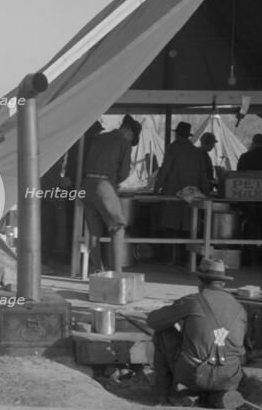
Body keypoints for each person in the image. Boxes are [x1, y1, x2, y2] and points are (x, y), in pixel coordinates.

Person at [147, 258, 247, 407]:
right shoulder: (240, 308)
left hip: (194, 375)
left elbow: (154, 321)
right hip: (230, 377)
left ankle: (164, 396)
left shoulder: (191, 301)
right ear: (224, 283)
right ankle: (213, 396)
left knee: (162, 334)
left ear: (199, 281)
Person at [81, 115, 141, 272]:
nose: (130, 140)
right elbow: (123, 172)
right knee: (118, 228)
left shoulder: (98, 138)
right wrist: (115, 183)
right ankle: (117, 272)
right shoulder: (123, 142)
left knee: (94, 232)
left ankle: (97, 269)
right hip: (104, 186)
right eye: (132, 137)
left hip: (86, 186)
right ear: (128, 131)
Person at [155, 122, 210, 265]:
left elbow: (164, 169)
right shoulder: (197, 152)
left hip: (173, 194)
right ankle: (187, 261)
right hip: (191, 196)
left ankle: (168, 260)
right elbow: (203, 176)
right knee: (189, 228)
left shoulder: (173, 148)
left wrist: (156, 189)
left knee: (169, 227)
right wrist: (206, 193)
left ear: (177, 134)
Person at [237, 134, 262, 265]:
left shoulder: (245, 158)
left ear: (253, 143)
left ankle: (251, 258)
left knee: (250, 228)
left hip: (249, 201)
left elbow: (238, 178)